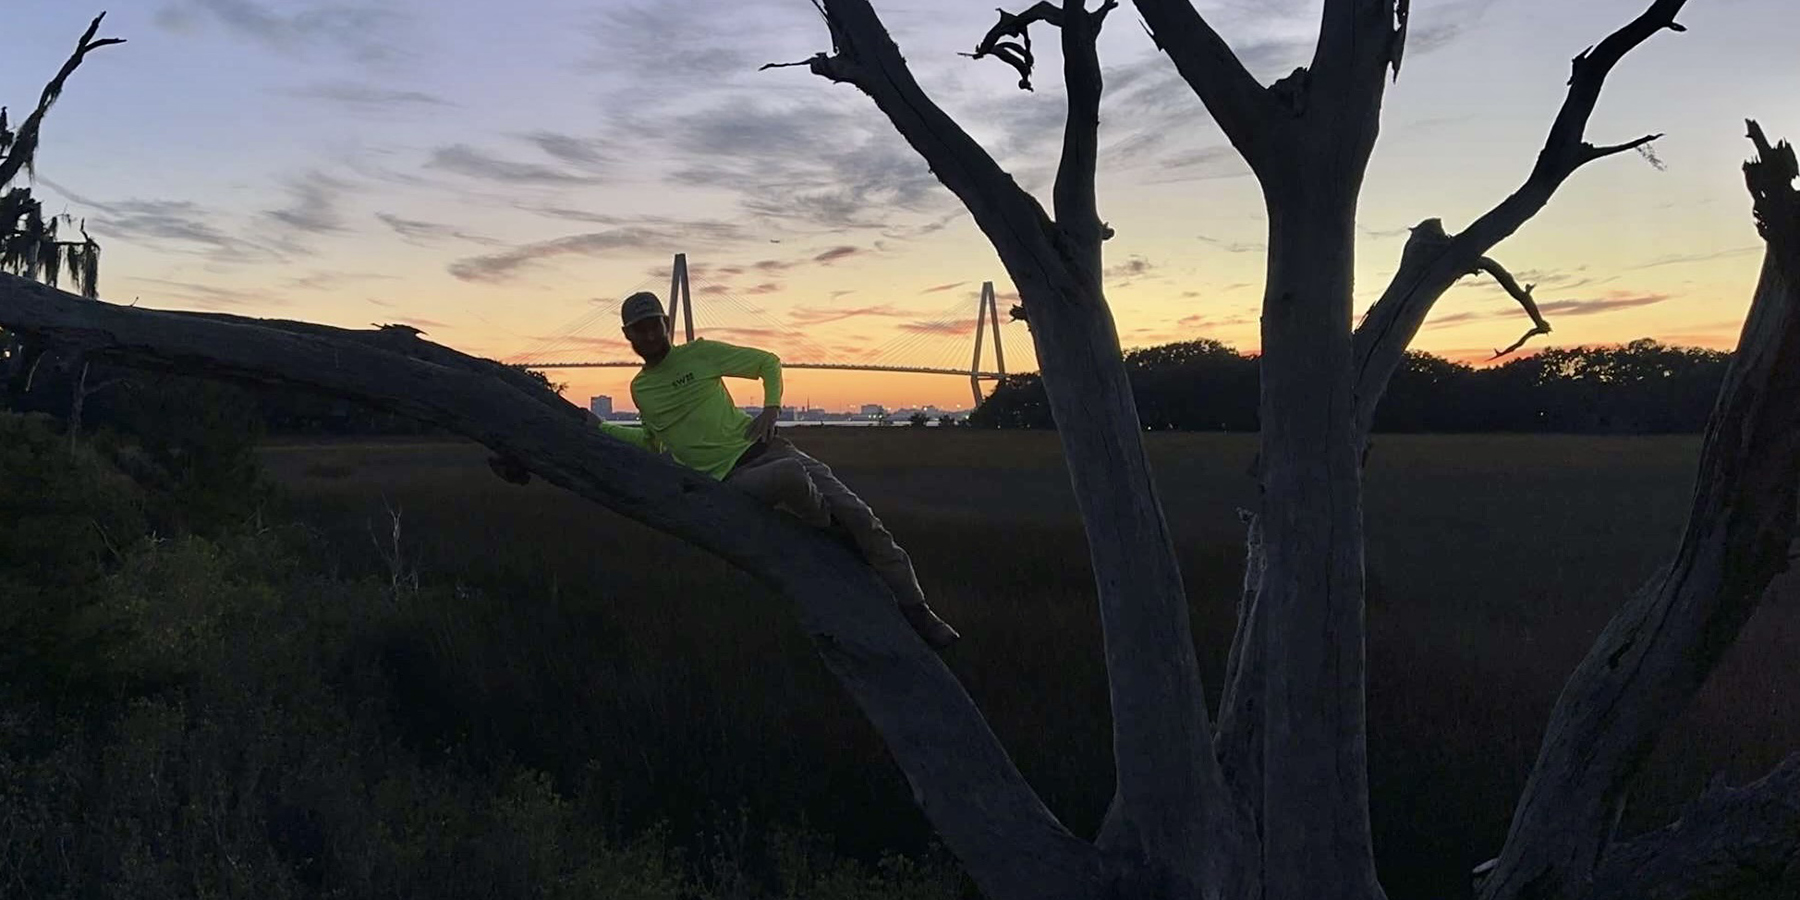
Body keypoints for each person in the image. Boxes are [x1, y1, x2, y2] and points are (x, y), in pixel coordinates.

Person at [592, 290, 960, 651]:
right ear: (628, 335)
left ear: (666, 324)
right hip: (732, 479)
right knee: (790, 476)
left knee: (866, 520)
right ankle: (830, 530)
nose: (650, 335)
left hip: (770, 447)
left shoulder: (700, 354)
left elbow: (768, 362)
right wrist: (598, 427)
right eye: (640, 329)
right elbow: (653, 442)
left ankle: (918, 611)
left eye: (654, 325)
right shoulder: (642, 389)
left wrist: (770, 409)